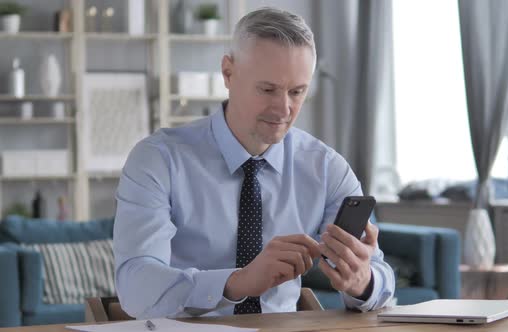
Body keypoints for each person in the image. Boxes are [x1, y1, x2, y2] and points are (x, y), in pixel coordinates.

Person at [114, 7, 395, 319]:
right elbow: (135, 286)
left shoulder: (327, 169)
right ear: (228, 73)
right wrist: (237, 282)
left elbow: (380, 276)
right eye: (267, 89)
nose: (283, 108)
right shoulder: (158, 160)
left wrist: (363, 281)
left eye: (297, 92)